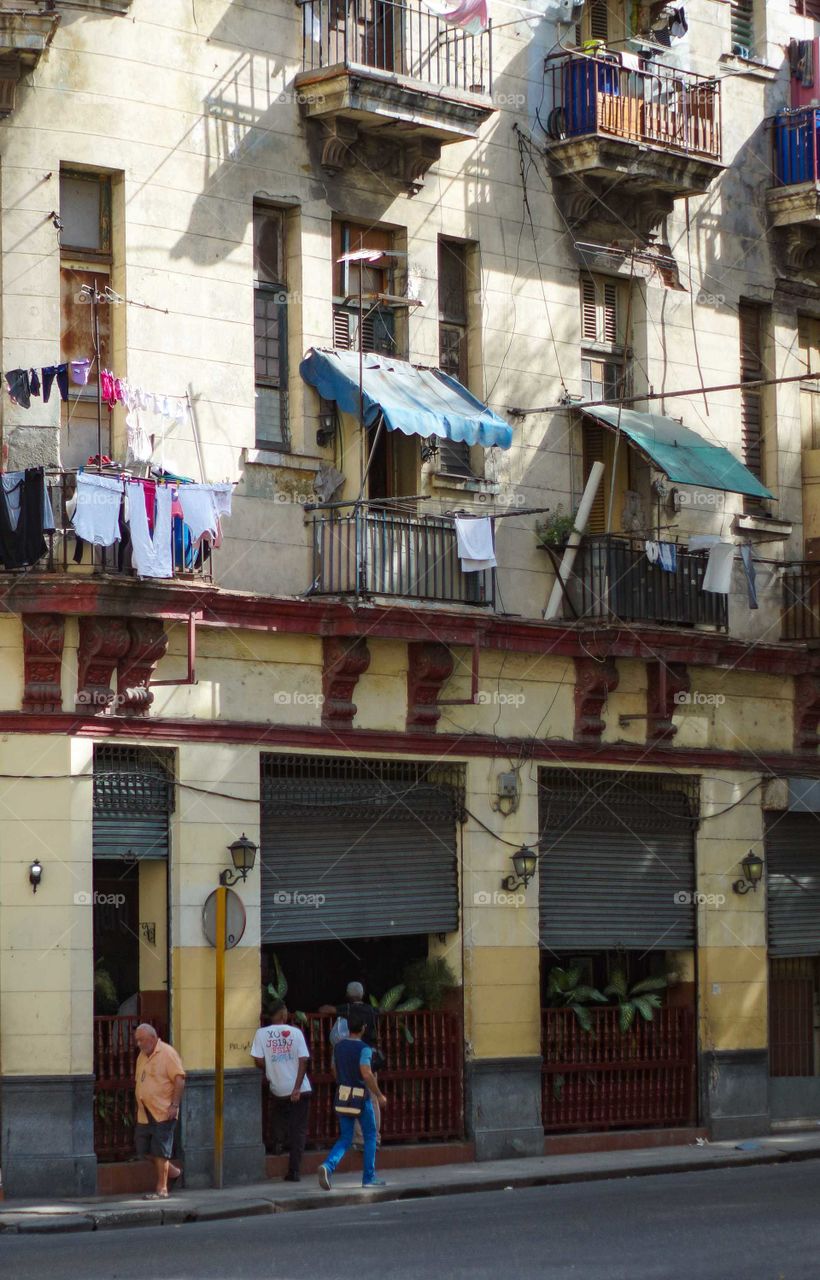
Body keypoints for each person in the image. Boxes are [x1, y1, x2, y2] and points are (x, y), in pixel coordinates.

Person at [317, 1010, 387, 1191]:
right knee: (370, 1135)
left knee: (346, 1136)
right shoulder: (364, 1049)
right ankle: (369, 1177)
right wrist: (378, 1094)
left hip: (342, 1094)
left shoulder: (338, 1047)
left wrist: (343, 1080)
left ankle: (328, 1166)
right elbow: (366, 1073)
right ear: (363, 1028)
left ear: (348, 1028)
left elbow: (333, 1069)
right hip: (360, 1096)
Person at [251, 997, 311, 1182]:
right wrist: (297, 1087)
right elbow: (303, 1060)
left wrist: (271, 1068)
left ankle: (278, 1143)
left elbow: (258, 1060)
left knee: (278, 1114)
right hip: (300, 1089)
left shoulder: (261, 1034)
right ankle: (294, 1171)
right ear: (283, 1014)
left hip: (278, 1087)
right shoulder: (296, 1033)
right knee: (298, 1130)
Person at [319, 980, 382, 1144]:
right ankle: (374, 1138)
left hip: (353, 1057)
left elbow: (326, 1010)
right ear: (362, 995)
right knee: (372, 1098)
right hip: (370, 1057)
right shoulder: (372, 1010)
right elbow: (380, 1011)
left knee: (355, 1097)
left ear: (348, 996)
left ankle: (360, 1139)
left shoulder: (347, 1009)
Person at [133, 1023, 186, 1200]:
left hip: (163, 1110)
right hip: (144, 1112)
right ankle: (174, 1172)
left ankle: (162, 1189)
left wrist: (174, 1105)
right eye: (137, 1040)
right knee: (144, 1149)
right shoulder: (142, 1055)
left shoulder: (167, 1053)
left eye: (141, 1039)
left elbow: (179, 1079)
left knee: (160, 1151)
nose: (138, 1043)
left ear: (153, 1037)